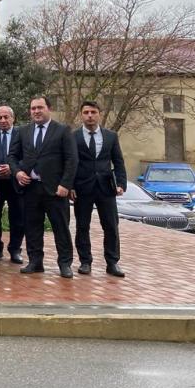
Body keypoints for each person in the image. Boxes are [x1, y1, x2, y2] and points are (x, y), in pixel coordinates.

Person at [9, 96, 78, 278]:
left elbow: (71, 159)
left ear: (49, 108)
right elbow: (12, 156)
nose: (36, 111)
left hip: (55, 190)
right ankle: (35, 262)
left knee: (61, 228)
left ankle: (65, 264)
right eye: (33, 108)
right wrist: (17, 172)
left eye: (40, 107)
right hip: (30, 188)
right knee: (32, 227)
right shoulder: (23, 131)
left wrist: (65, 184)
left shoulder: (62, 130)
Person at [71, 101, 126, 277]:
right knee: (82, 226)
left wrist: (121, 184)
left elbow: (118, 161)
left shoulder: (111, 136)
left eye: (93, 112)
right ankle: (85, 261)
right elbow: (69, 163)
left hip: (106, 188)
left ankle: (112, 262)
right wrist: (70, 185)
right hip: (82, 188)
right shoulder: (73, 137)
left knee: (111, 226)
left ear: (99, 114)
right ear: (81, 115)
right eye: (86, 112)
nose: (90, 115)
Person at [0, 105, 25, 264]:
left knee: (18, 217)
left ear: (13, 118)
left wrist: (13, 168)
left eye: (6, 117)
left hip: (16, 182)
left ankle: (15, 250)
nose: (3, 120)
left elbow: (28, 157)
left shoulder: (22, 134)